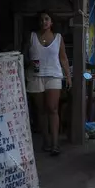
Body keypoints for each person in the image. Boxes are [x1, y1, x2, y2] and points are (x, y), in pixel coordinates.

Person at [25, 10, 71, 156]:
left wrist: (68, 76)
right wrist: (29, 62)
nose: (43, 22)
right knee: (41, 111)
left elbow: (63, 58)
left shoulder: (58, 38)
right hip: (35, 76)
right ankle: (46, 141)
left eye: (46, 19)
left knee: (52, 108)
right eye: (41, 20)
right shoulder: (31, 36)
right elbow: (23, 55)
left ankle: (55, 143)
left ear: (51, 22)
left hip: (54, 76)